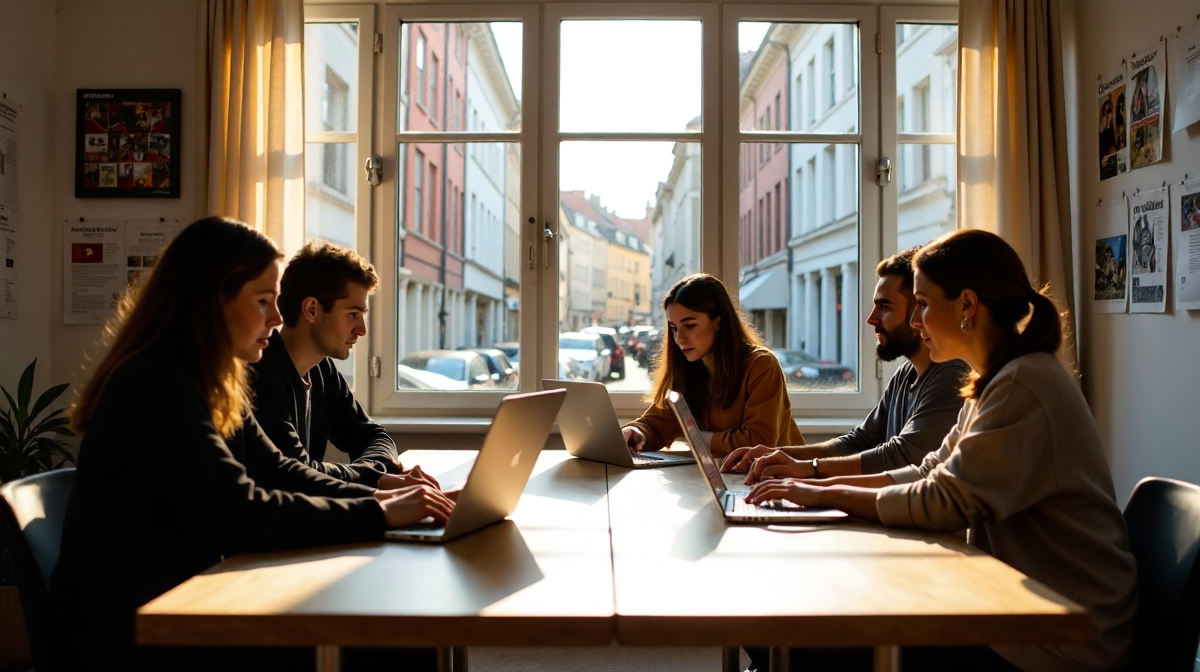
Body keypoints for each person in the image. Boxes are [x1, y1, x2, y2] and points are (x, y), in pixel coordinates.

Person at [51, 217, 455, 672]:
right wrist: (378, 511)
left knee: (394, 631)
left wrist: (393, 497)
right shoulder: (157, 385)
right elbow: (241, 511)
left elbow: (281, 470)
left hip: (185, 595)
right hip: (134, 631)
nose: (278, 316)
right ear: (211, 301)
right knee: (389, 642)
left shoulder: (214, 378)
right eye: (264, 301)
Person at [746, 229, 1138, 671]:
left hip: (1062, 638)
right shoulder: (996, 380)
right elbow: (929, 470)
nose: (916, 321)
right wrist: (817, 483)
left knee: (804, 640)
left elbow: (941, 501)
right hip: (1024, 609)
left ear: (968, 306)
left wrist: (825, 492)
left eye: (925, 305)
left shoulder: (1022, 383)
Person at [721, 248, 966, 483]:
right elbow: (858, 441)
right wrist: (776, 454)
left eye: (884, 306)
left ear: (919, 311)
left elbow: (901, 457)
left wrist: (810, 470)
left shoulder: (952, 376)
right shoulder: (906, 374)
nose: (871, 319)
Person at [247, 239, 437, 491]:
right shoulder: (261, 376)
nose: (362, 330)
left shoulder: (322, 370)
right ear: (312, 310)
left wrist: (370, 472)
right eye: (352, 314)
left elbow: (374, 436)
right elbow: (297, 473)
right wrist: (375, 478)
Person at [621, 273, 805, 458]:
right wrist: (636, 431)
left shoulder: (762, 365)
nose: (679, 338)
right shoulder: (688, 370)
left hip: (779, 479)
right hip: (728, 479)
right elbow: (656, 424)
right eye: (674, 328)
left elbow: (758, 443)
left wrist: (698, 438)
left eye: (690, 325)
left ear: (718, 322)